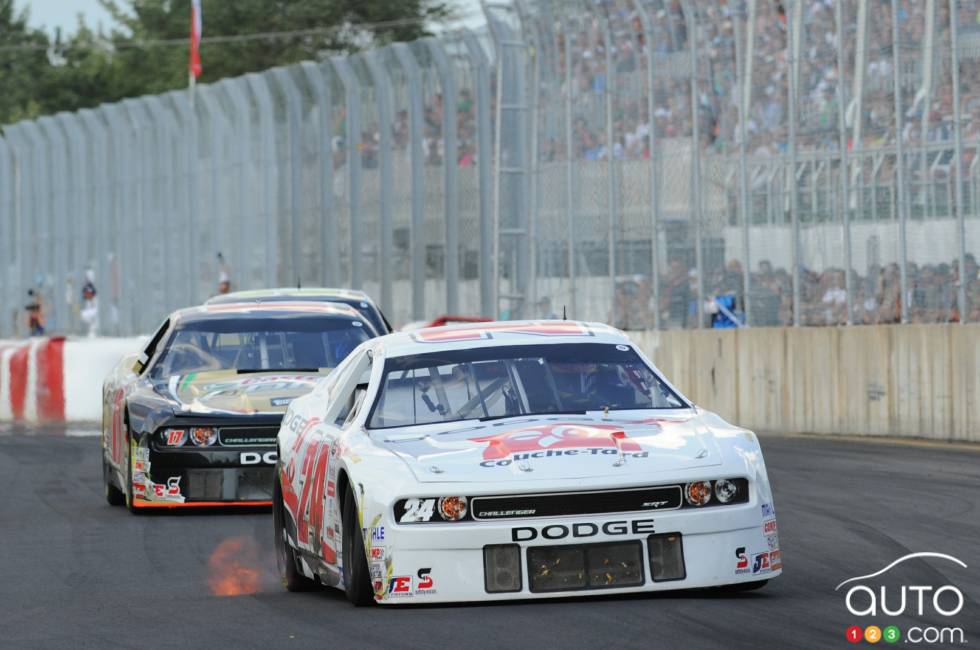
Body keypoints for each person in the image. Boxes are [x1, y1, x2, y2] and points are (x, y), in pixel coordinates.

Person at [80, 269, 99, 337]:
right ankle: (91, 331)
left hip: (94, 309)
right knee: (84, 316)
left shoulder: (92, 287)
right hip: (90, 308)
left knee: (85, 315)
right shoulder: (88, 287)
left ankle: (93, 331)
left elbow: (92, 298)